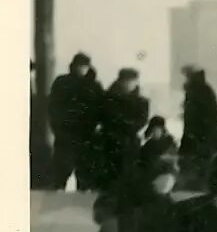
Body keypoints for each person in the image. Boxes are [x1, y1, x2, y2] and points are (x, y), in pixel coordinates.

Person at [50, 52, 105, 191]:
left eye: (84, 66)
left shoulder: (94, 86)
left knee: (85, 173)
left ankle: (82, 199)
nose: (81, 69)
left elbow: (101, 108)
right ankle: (57, 195)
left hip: (86, 135)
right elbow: (53, 107)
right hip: (66, 133)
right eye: (79, 66)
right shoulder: (62, 82)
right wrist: (58, 128)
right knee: (61, 170)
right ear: (73, 66)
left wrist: (95, 127)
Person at [98, 68, 150, 196]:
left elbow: (141, 121)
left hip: (129, 143)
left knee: (129, 175)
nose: (129, 84)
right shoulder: (108, 99)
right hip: (111, 142)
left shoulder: (142, 102)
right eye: (126, 81)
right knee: (111, 177)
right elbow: (107, 118)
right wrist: (126, 124)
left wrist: (124, 124)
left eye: (132, 81)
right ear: (120, 81)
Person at [180, 66, 217, 177]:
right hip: (200, 133)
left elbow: (208, 113)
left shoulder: (198, 89)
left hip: (200, 134)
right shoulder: (200, 88)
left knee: (200, 159)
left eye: (187, 75)